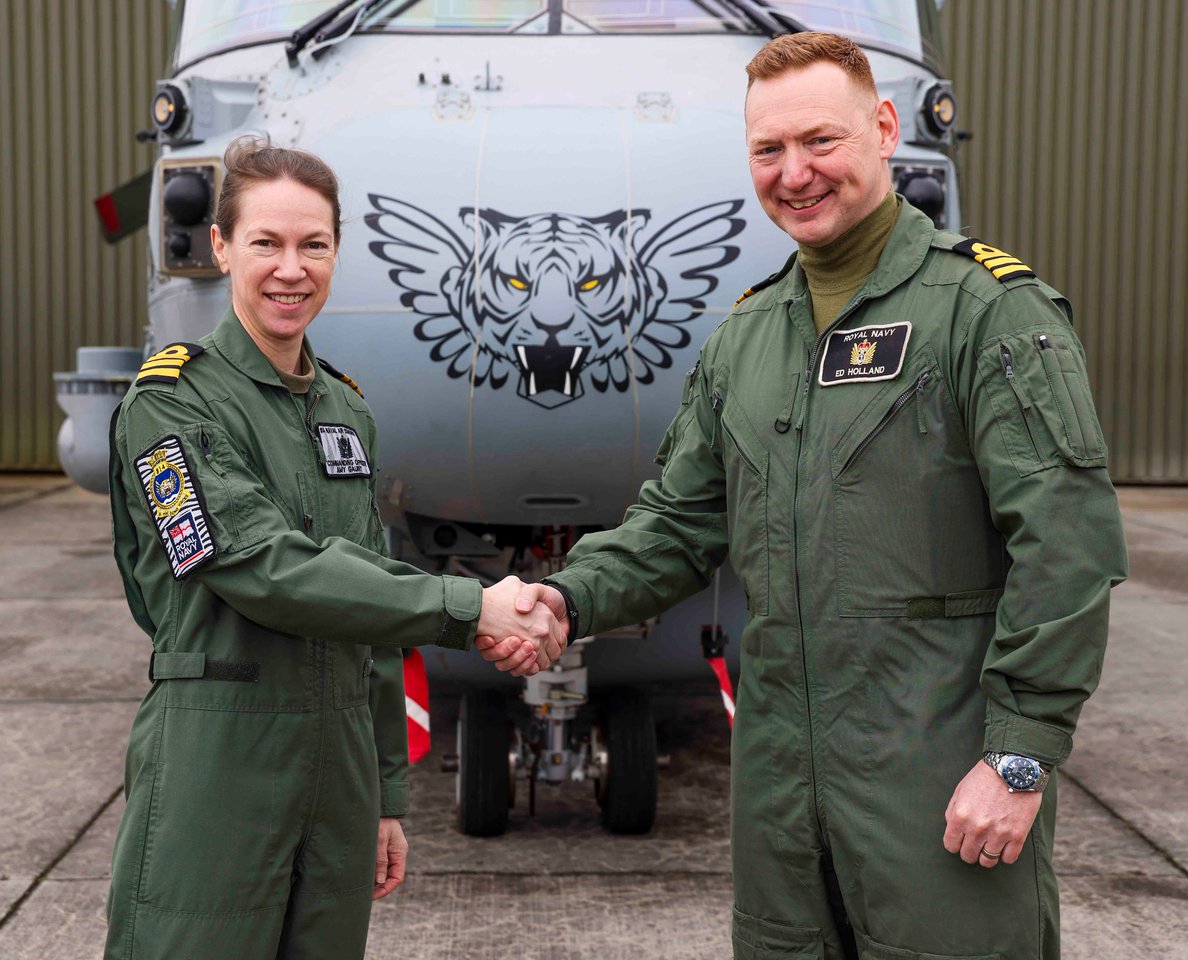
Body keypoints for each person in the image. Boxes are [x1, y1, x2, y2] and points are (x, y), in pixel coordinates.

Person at [486, 32, 1127, 960]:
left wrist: (1019, 754)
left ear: (882, 129)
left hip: (941, 784)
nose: (796, 173)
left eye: (820, 142)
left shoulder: (986, 311)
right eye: (768, 150)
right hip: (782, 801)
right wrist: (568, 596)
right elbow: (677, 521)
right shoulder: (746, 337)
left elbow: (1066, 548)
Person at [105, 135, 562, 960]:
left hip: (339, 775)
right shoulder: (170, 405)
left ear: (336, 251)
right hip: (219, 754)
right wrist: (472, 605)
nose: (292, 269)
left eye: (314, 245)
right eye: (266, 244)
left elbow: (365, 606)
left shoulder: (344, 412)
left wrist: (384, 792)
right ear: (220, 247)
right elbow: (257, 566)